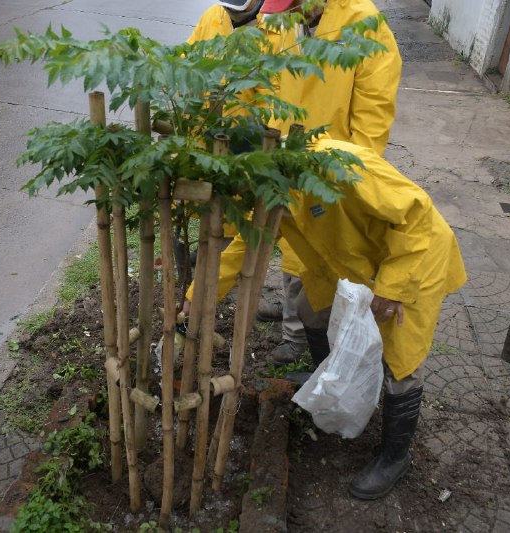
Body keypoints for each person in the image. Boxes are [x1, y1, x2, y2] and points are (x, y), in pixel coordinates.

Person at [187, 136, 466, 499]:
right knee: (310, 311)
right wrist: (197, 297)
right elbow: (246, 243)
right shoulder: (271, 187)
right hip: (354, 265)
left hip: (412, 260)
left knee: (400, 360)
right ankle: (333, 381)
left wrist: (393, 286)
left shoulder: (339, 165)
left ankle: (395, 456)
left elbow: (416, 216)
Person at [188, 0, 403, 366]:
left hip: (329, 172)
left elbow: (373, 118)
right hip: (281, 161)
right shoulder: (277, 21)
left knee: (314, 264)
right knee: (269, 242)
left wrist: (348, 180)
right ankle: (306, 338)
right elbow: (259, 91)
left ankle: (310, 340)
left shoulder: (364, 25)